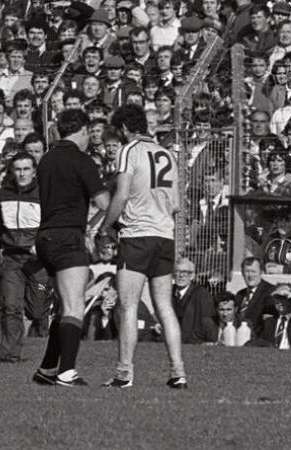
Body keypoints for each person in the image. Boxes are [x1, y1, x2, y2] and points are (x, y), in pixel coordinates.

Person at [99, 104, 185, 389]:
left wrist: (103, 227)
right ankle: (178, 372)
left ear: (124, 128)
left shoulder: (128, 150)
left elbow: (122, 195)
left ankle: (124, 373)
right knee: (165, 306)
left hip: (137, 235)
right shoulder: (168, 154)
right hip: (165, 235)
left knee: (128, 306)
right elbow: (175, 204)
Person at [31, 109, 109, 387]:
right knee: (75, 306)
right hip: (68, 238)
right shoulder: (82, 160)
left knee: (64, 307)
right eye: (90, 133)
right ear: (83, 131)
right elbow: (103, 203)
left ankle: (47, 368)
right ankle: (67, 372)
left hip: (45, 237)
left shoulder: (47, 159)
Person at [0, 151, 50, 362]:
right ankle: (9, 355)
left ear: (34, 171)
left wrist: (42, 245)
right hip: (12, 258)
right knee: (10, 308)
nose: (22, 173)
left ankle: (38, 319)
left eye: (26, 169)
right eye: (18, 169)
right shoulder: (4, 193)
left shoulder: (45, 193)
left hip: (38, 260)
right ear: (12, 171)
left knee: (37, 311)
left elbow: (52, 223)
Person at [172, 258, 216, 344]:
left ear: (192, 276)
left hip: (193, 342)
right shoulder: (169, 292)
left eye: (185, 272)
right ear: (173, 275)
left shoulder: (201, 294)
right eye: (178, 271)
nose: (181, 275)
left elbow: (207, 322)